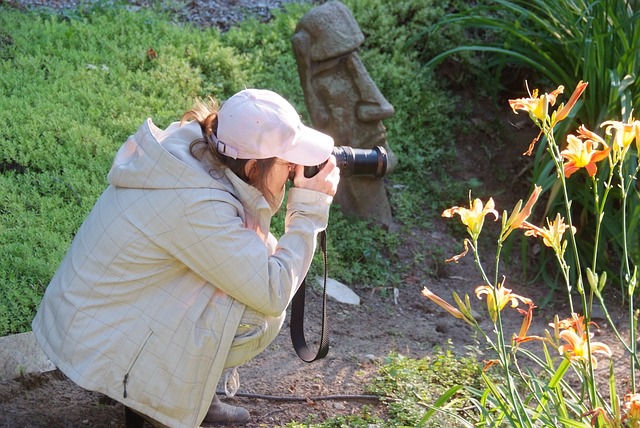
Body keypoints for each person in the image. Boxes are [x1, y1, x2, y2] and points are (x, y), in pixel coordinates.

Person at [31, 88, 340, 428]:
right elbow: (273, 291)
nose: (298, 169)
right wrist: (309, 211)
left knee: (256, 265)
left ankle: (178, 393)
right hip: (93, 342)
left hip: (90, 323)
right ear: (253, 166)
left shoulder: (197, 150)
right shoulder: (197, 204)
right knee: (259, 316)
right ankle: (152, 396)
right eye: (289, 162)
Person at [292, 0, 397, 226]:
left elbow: (389, 158)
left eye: (355, 61)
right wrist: (306, 72)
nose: (382, 109)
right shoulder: (319, 83)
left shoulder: (371, 134)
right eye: (339, 67)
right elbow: (320, 118)